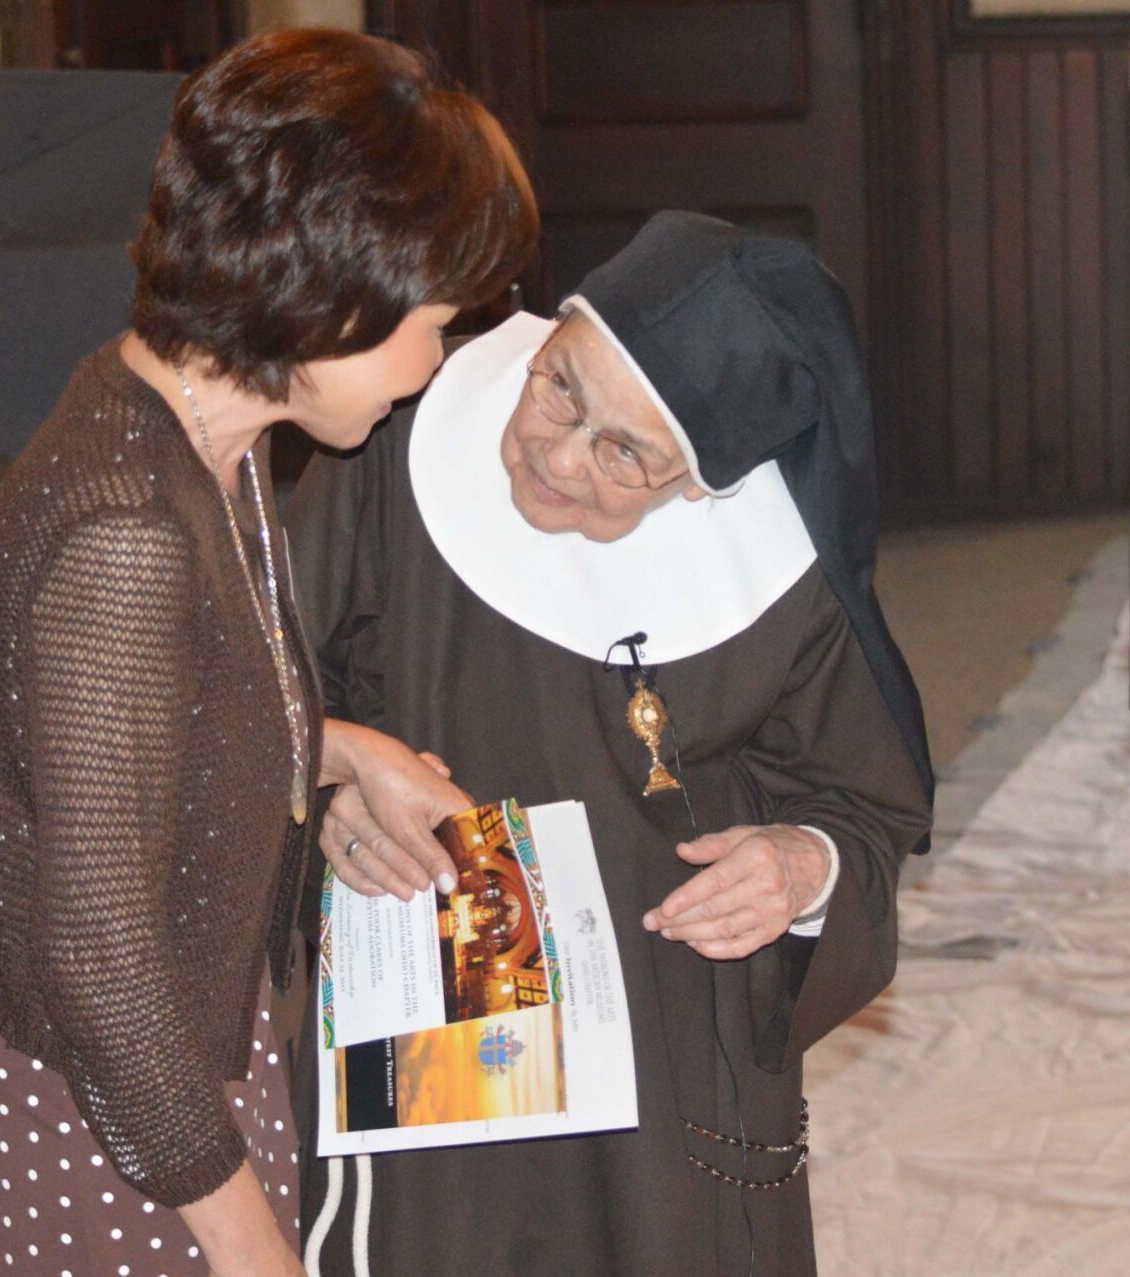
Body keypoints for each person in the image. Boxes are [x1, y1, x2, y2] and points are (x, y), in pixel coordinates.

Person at [0, 30, 535, 1277]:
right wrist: (257, 1250)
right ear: (332, 292)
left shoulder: (209, 428)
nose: (433, 362)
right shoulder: (124, 532)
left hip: (169, 1070)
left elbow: (168, 719)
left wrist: (341, 751)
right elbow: (100, 961)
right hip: (100, 1124)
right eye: (433, 322)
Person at [283, 211, 935, 1276]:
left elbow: (862, 808)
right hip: (431, 1008)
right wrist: (331, 781)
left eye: (624, 451)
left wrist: (801, 867)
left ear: (700, 484)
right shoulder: (401, 437)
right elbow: (252, 686)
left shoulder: (782, 575)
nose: (556, 453)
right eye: (560, 387)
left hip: (666, 1060)